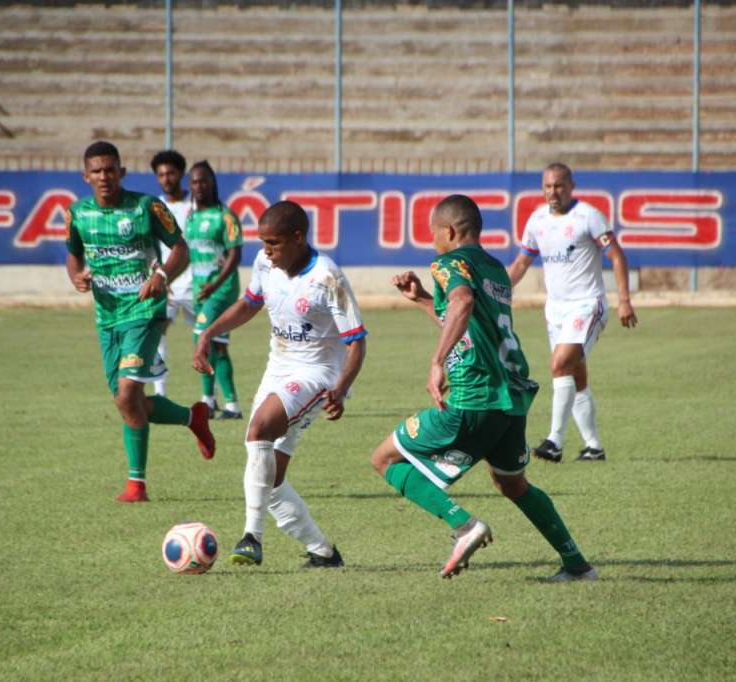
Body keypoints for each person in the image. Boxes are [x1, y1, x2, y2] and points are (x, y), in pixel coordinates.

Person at [371, 194, 596, 581]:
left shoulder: (447, 263)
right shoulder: (493, 268)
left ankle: (464, 526)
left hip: (473, 395)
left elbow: (460, 302)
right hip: (510, 398)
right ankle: (576, 564)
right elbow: (469, 321)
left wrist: (436, 362)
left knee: (385, 459)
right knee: (512, 483)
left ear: (451, 231)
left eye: (433, 234)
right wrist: (425, 299)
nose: (432, 243)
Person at [193, 200, 367, 568]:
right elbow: (249, 304)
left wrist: (340, 388)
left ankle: (251, 537)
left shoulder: (327, 276)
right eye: (263, 242)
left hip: (317, 374)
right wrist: (210, 332)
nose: (266, 251)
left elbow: (356, 341)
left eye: (273, 243)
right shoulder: (264, 263)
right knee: (269, 477)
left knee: (257, 430)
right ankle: (323, 552)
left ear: (298, 238)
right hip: (278, 368)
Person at [65, 140, 215, 503]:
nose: (104, 176)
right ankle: (191, 417)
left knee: (129, 392)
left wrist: (161, 275)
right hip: (107, 317)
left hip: (145, 312)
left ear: (122, 172)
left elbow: (181, 248)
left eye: (110, 169)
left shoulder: (147, 207)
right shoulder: (77, 213)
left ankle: (136, 486)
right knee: (125, 401)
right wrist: (76, 276)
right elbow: (73, 255)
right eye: (97, 171)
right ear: (86, 176)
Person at [508, 162, 638, 463]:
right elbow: (521, 264)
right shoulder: (537, 220)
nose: (553, 192)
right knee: (574, 373)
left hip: (587, 304)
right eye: (548, 186)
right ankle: (594, 446)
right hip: (555, 309)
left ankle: (554, 441)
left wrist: (624, 299)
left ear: (571, 186)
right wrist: (497, 291)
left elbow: (616, 255)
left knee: (559, 363)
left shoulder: (588, 216)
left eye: (559, 185)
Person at [184, 160, 244, 419]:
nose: (199, 186)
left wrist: (215, 284)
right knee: (216, 345)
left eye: (204, 180)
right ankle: (215, 402)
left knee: (202, 337)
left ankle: (227, 403)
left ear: (213, 183)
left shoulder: (226, 216)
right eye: (195, 181)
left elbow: (235, 254)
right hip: (200, 290)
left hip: (221, 290)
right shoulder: (191, 217)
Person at [149, 149, 195, 398]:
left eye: (171, 173)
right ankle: (160, 392)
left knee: (208, 338)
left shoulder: (195, 206)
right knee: (158, 332)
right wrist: (159, 275)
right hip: (166, 283)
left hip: (195, 284)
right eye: (161, 174)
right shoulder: (155, 207)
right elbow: (152, 247)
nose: (166, 178)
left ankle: (210, 398)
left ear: (181, 174)